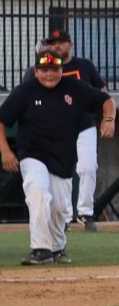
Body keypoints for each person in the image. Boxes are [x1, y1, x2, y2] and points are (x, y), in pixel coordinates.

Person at [0, 48, 114, 265]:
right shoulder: (25, 90)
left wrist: (109, 120)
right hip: (33, 154)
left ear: (61, 69)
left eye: (54, 69)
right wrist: (6, 152)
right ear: (36, 71)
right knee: (38, 194)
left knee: (60, 208)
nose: (49, 74)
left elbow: (106, 100)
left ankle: (57, 247)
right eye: (44, 69)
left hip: (63, 157)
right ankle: (40, 249)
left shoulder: (74, 88)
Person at [26, 30, 110, 231]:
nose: (57, 46)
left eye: (61, 42)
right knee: (60, 174)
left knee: (88, 167)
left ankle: (85, 213)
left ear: (70, 44)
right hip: (56, 128)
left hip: (84, 124)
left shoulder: (84, 65)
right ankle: (64, 218)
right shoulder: (41, 69)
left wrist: (105, 117)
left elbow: (103, 92)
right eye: (53, 43)